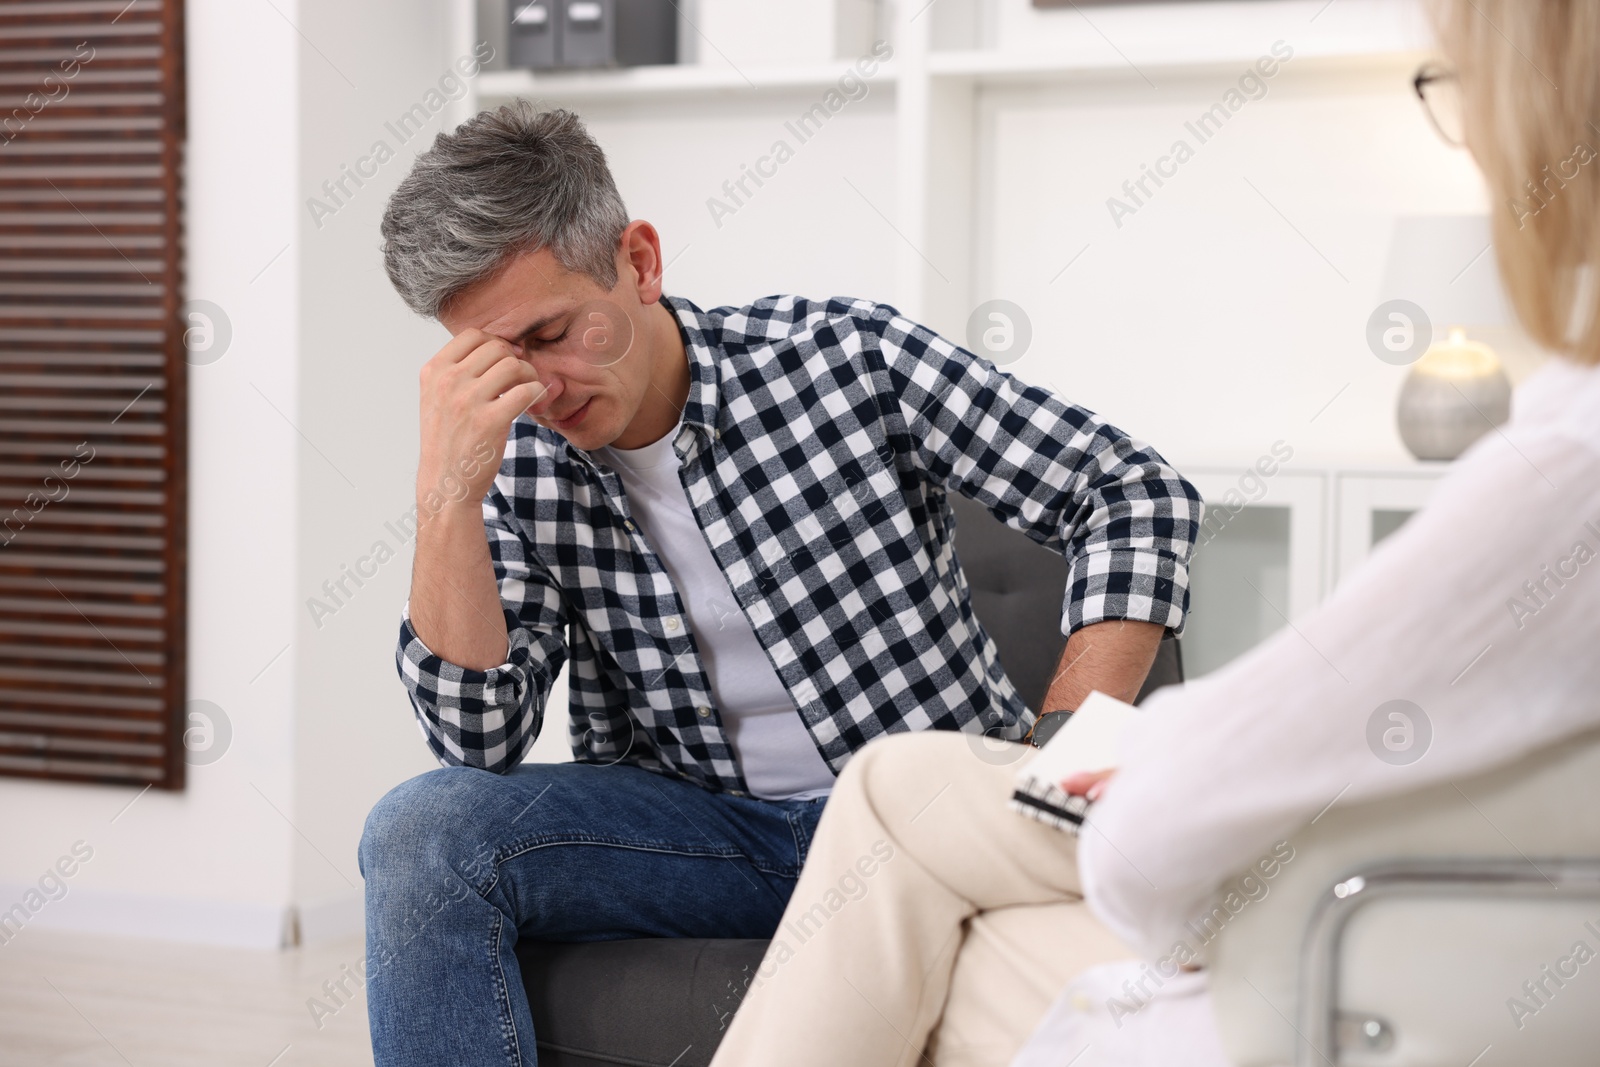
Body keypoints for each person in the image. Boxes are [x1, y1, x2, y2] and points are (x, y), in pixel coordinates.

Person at [706, 1, 1600, 1064]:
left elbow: (1168, 836)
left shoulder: (1565, 468)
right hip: (1459, 937)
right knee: (909, 816)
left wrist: (1138, 764)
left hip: (1365, 962)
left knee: (932, 881)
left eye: (1455, 88)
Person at [356, 103, 1201, 1065]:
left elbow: (1133, 491)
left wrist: (1057, 753)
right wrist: (446, 495)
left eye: (552, 333)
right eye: (499, 361)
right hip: (706, 836)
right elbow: (477, 737)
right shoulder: (513, 463)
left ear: (638, 261)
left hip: (910, 815)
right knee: (421, 831)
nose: (539, 389)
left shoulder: (844, 360)